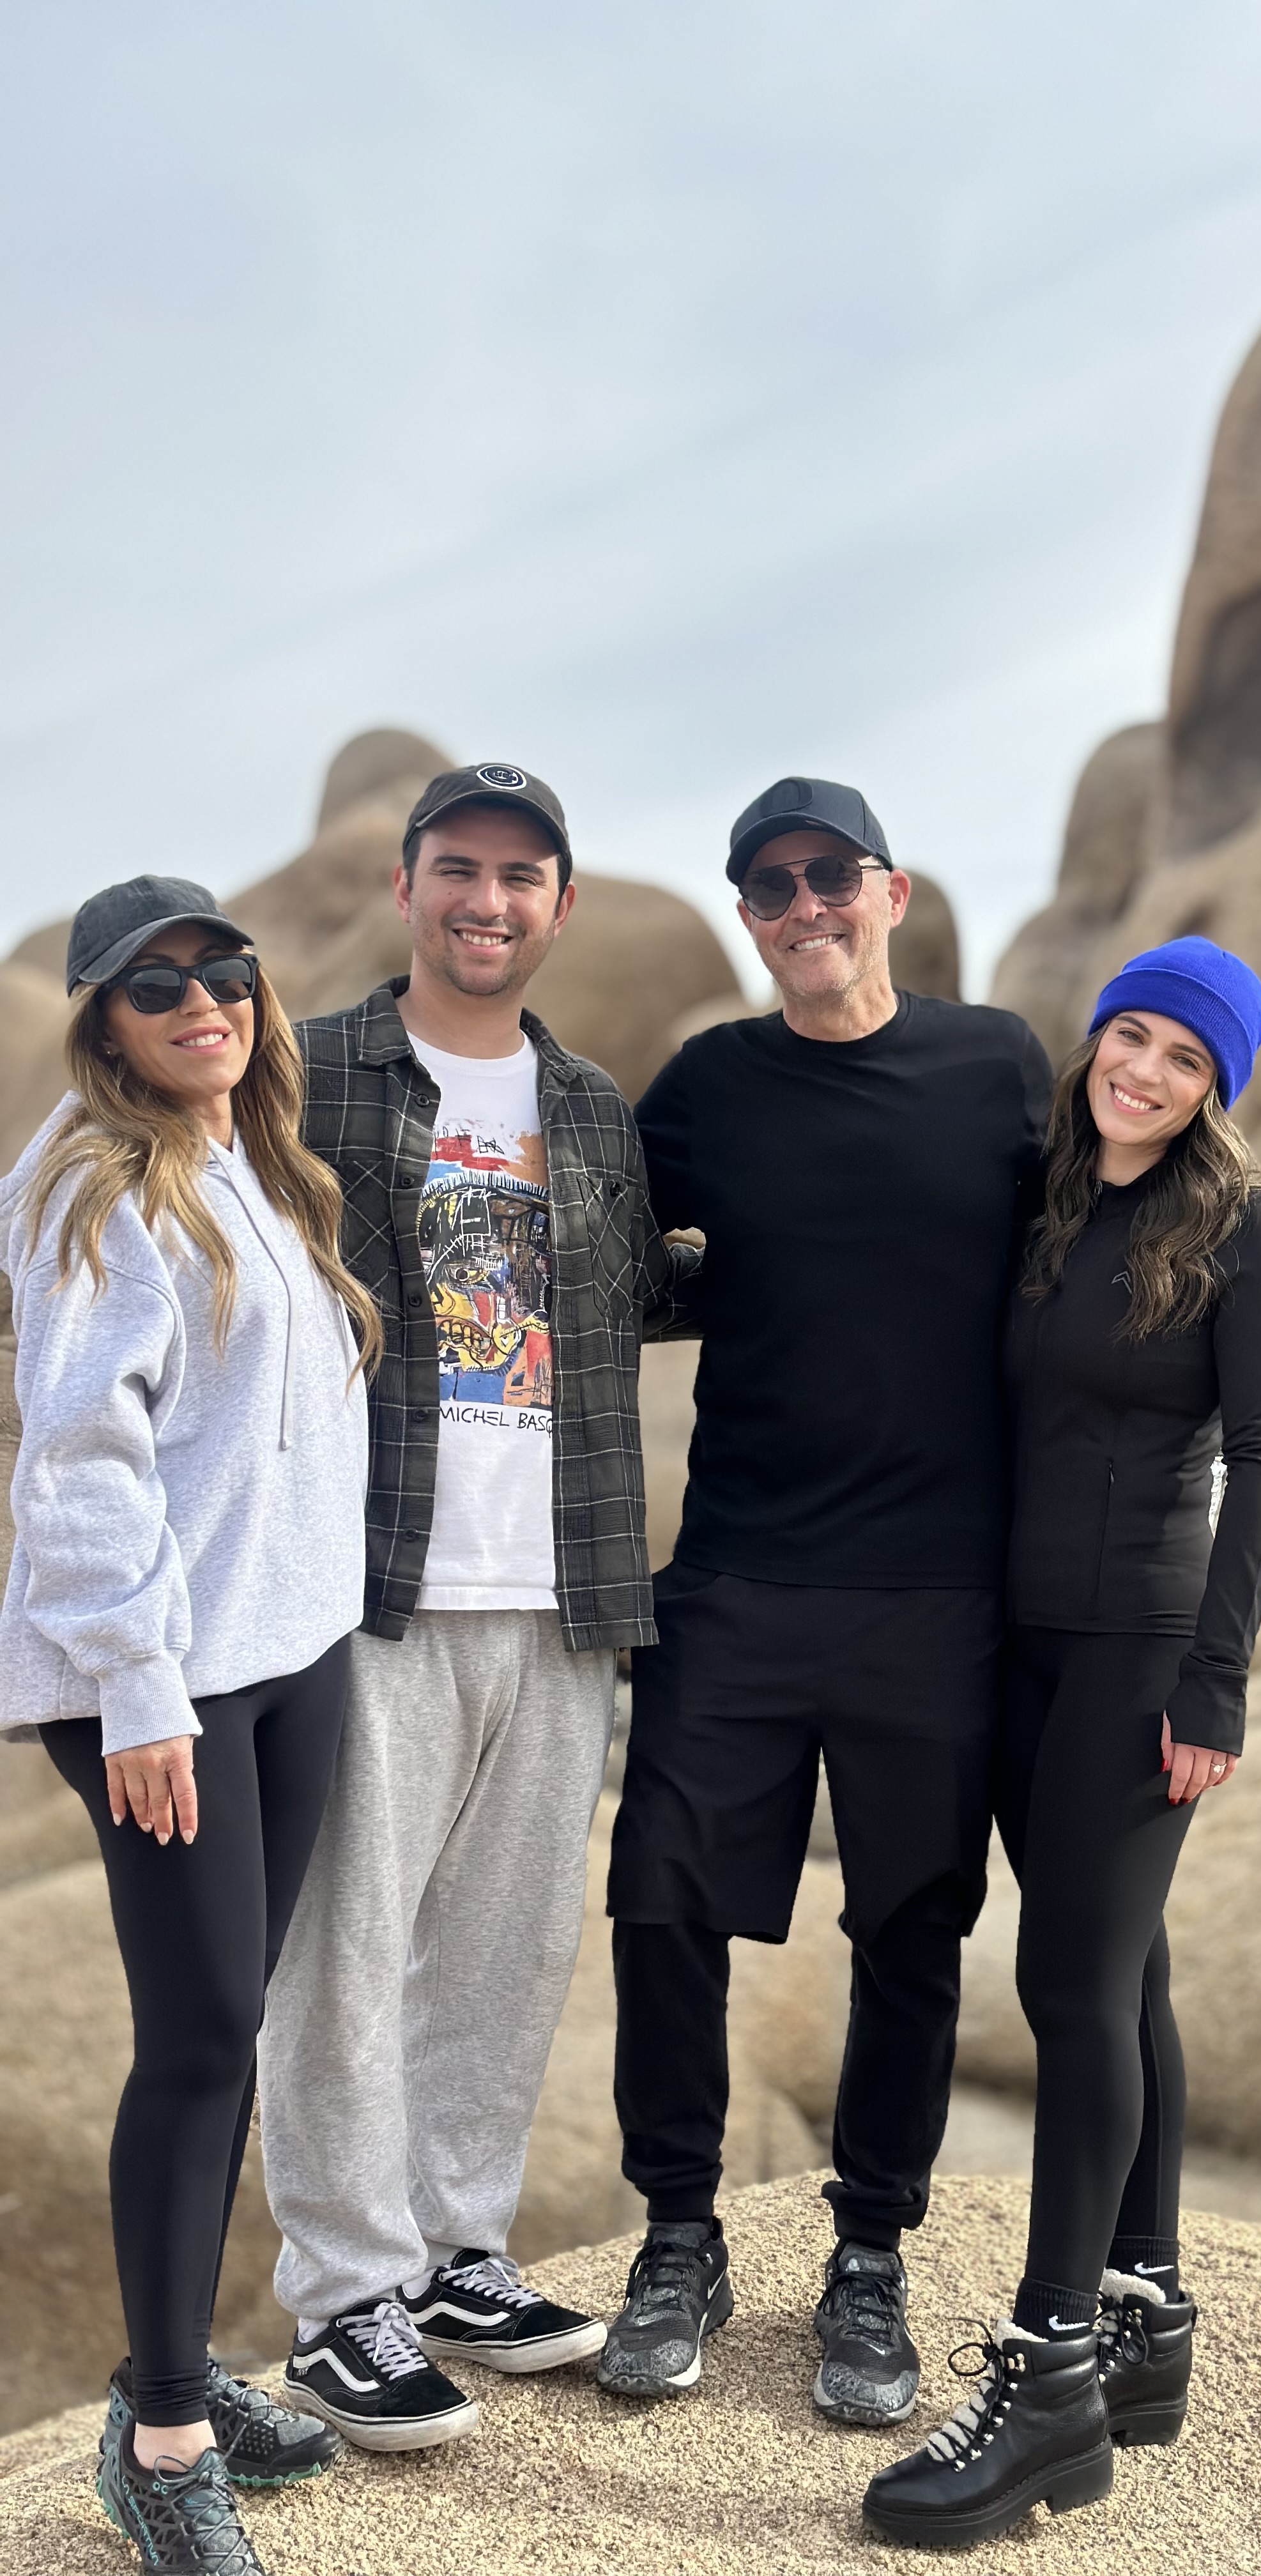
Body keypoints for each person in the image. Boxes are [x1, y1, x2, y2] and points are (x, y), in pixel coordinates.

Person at [602, 776, 1051, 2427]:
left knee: (913, 1927)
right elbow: (598, 1253)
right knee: (662, 1900)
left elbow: (1094, 1250)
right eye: (771, 887)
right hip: (737, 1571)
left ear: (890, 892)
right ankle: (680, 2235)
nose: (804, 907)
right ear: (748, 918)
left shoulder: (998, 1065)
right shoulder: (709, 1086)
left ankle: (870, 2255)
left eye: (829, 877)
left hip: (937, 1590)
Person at [257, 763, 694, 2451]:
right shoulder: (309, 1071)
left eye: (520, 877)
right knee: (347, 1948)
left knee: (508, 1954)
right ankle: (342, 2299)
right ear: (406, 886)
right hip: (376, 1581)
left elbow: (643, 1302)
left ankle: (456, 2256)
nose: (486, 902)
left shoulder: (590, 1107)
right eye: (458, 869)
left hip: (565, 1585)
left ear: (560, 906)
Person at [863, 935, 1261, 2551]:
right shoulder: (1054, 1204)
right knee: (1129, 1976)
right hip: (1022, 1649)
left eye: (1186, 1060)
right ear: (1098, 1039)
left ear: (1213, 1090)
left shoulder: (1245, 1232)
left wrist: (1217, 1684)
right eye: (1134, 1037)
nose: (1147, 1073)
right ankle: (1147, 2312)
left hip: (1140, 1653)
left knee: (1069, 1986)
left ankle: (1049, 2371)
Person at [1, 878, 379, 2575]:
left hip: (290, 1654)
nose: (200, 1000)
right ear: (103, 1022)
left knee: (232, 2027)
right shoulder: (92, 1183)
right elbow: (80, 1458)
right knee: (203, 2032)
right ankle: (160, 2442)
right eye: (154, 987)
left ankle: (181, 2367)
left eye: (221, 969)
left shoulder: (265, 1167)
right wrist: (139, 1689)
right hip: (166, 1684)